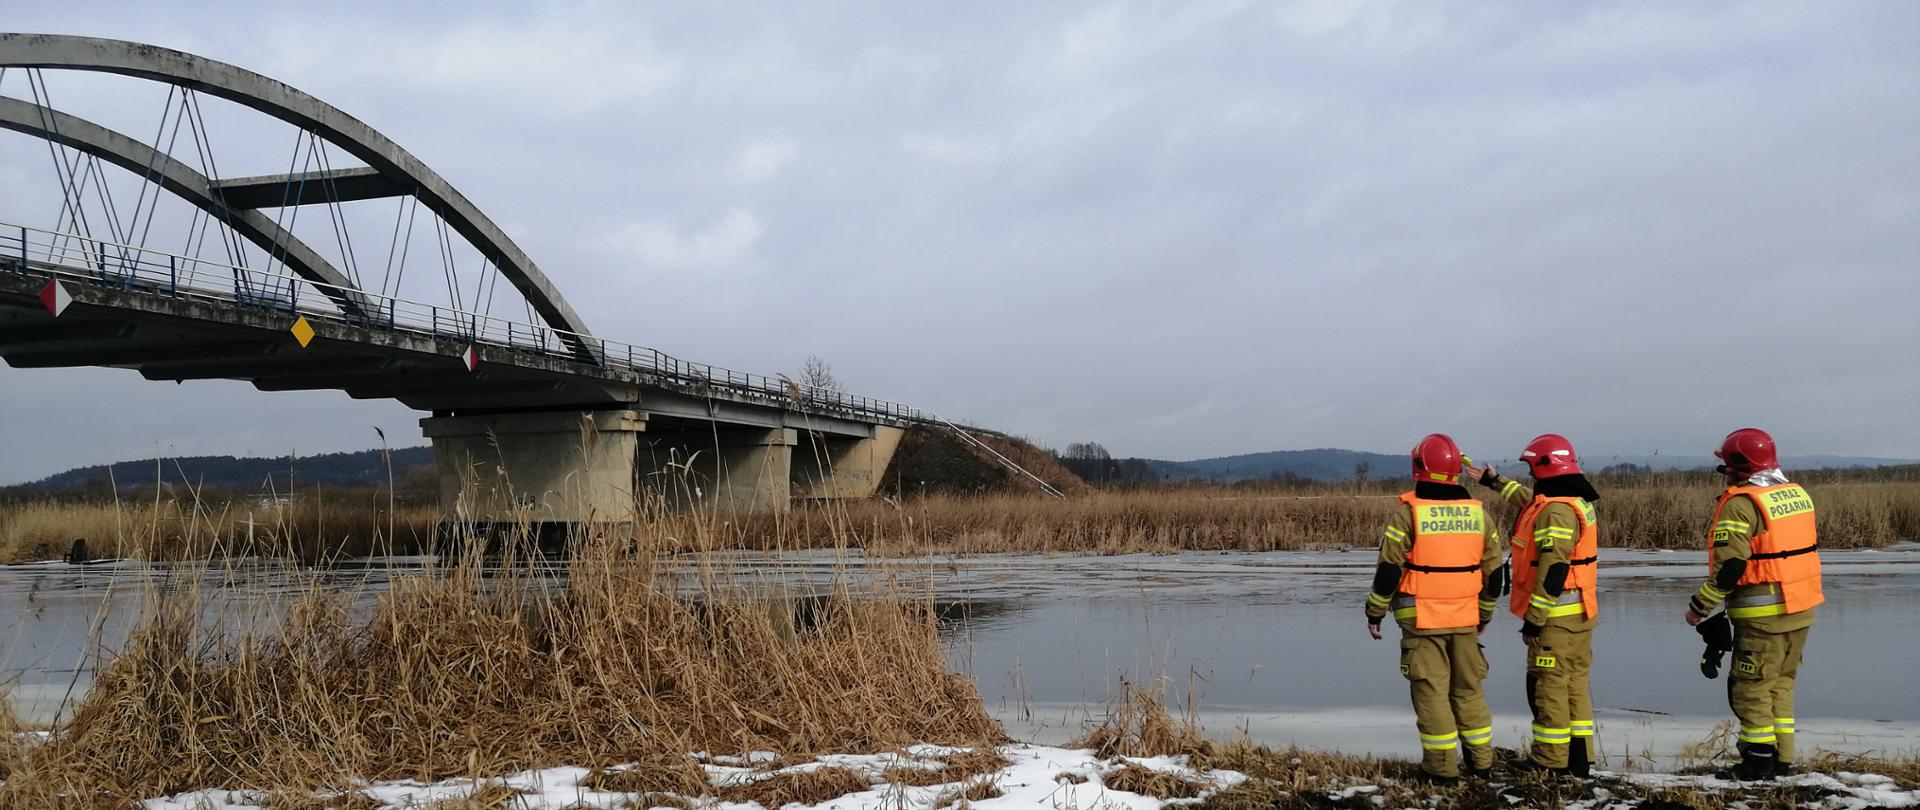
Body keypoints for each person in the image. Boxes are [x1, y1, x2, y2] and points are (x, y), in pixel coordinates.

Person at [1364, 433, 1505, 783]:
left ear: (1418, 468)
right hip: (1466, 617)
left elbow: (1389, 570)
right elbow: (1495, 574)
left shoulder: (1408, 515)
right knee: (1469, 690)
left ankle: (1441, 769)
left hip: (1421, 618)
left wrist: (1375, 611)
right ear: (1456, 470)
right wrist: (1484, 614)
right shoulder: (1479, 516)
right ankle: (1482, 763)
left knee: (1431, 692)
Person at [1683, 428, 1822, 780]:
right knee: (1781, 684)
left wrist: (1700, 607)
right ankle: (1783, 759)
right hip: (1801, 609)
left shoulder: (1742, 503)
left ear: (1738, 465)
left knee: (1750, 689)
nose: (1724, 471)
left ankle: (1758, 762)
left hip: (1763, 616)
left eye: (1727, 464)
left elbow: (1731, 566)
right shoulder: (1795, 494)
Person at [1467, 434, 1601, 777]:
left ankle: (1550, 761)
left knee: (1549, 689)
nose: (1530, 474)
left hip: (1555, 619)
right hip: (1579, 616)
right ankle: (1578, 758)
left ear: (1545, 466)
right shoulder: (1570, 501)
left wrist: (1534, 620)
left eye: (1531, 467)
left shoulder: (1557, 511)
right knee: (1574, 688)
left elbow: (1554, 569)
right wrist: (1493, 481)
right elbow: (1529, 502)